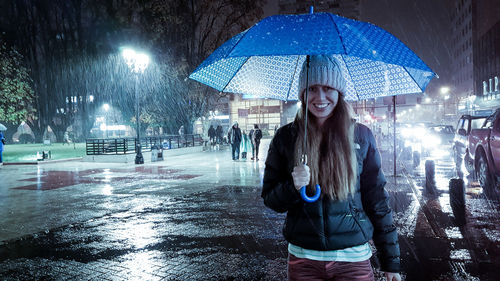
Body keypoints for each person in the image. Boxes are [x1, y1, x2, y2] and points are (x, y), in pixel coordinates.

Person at [261, 55, 401, 281]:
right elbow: (270, 199)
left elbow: (377, 201)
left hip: (353, 259)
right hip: (303, 260)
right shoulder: (286, 137)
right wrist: (292, 187)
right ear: (302, 93)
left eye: (328, 88)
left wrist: (391, 261)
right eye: (312, 88)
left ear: (339, 93)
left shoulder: (361, 136)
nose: (320, 97)